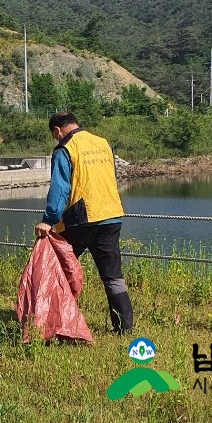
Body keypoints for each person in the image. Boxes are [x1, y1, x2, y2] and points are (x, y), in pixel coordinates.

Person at [34, 111, 134, 334]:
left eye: (54, 135)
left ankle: (56, 323)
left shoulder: (65, 148)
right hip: (111, 215)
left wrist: (48, 220)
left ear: (57, 130)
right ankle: (124, 329)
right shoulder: (102, 143)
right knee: (112, 276)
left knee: (58, 268)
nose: (56, 138)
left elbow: (60, 189)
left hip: (82, 218)